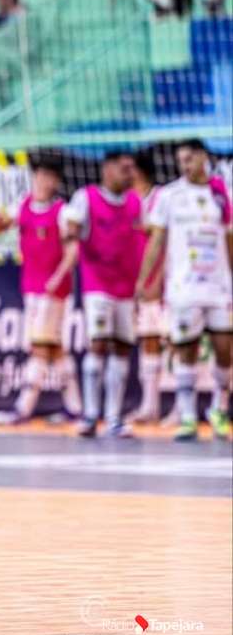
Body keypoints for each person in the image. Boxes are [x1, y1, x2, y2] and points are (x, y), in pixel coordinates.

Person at [137, 140, 232, 441]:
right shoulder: (169, 196)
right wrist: (144, 279)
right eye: (181, 160)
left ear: (204, 157)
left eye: (190, 158)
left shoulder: (220, 193)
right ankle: (188, 415)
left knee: (224, 349)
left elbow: (229, 239)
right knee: (186, 349)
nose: (185, 164)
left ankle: (219, 409)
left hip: (218, 286)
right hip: (183, 287)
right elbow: (156, 241)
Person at [56, 151, 141, 438]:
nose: (130, 174)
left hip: (127, 288)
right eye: (124, 168)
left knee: (122, 347)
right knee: (98, 343)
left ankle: (114, 418)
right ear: (107, 169)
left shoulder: (134, 202)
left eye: (132, 169)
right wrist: (70, 231)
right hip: (98, 286)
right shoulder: (86, 197)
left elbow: (143, 236)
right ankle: (91, 415)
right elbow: (70, 226)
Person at [0, 158, 81, 425]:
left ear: (56, 182)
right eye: (39, 175)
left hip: (53, 291)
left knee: (39, 347)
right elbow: (1, 227)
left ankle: (23, 408)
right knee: (55, 349)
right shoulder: (24, 205)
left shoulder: (62, 212)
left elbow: (73, 252)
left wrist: (57, 278)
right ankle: (75, 408)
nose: (43, 181)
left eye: (49, 177)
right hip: (30, 287)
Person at [129, 151, 166, 423]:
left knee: (169, 343)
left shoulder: (161, 199)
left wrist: (157, 280)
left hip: (162, 285)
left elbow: (166, 243)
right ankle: (149, 406)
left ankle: (176, 408)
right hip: (133, 285)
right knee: (146, 341)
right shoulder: (127, 202)